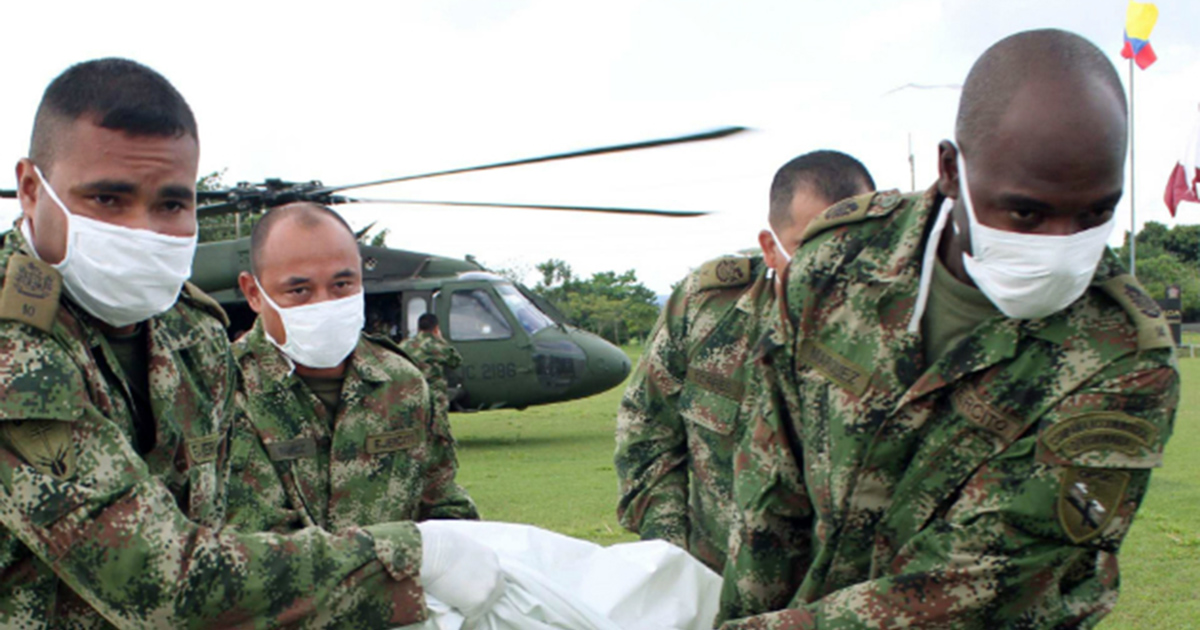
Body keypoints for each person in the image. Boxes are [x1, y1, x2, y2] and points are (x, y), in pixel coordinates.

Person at [0, 58, 497, 628]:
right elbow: (161, 580)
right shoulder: (15, 347)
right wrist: (412, 556)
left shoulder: (191, 333)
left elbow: (210, 526)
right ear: (31, 189)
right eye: (108, 199)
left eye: (171, 204)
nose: (144, 229)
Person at [718, 29, 1179, 629]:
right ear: (950, 170)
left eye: (1097, 212)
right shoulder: (839, 261)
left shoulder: (1123, 358)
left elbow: (974, 587)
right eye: (1027, 212)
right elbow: (769, 490)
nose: (1062, 247)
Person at [614, 150, 875, 573]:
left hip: (840, 593)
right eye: (812, 247)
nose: (835, 265)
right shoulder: (706, 309)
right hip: (715, 579)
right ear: (771, 248)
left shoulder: (907, 326)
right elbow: (647, 427)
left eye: (857, 245)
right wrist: (673, 555)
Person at [224, 202, 479, 536]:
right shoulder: (223, 390)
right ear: (254, 293)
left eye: (342, 285)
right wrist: (397, 552)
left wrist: (459, 543)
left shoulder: (402, 383)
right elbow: (253, 547)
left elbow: (442, 500)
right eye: (299, 290)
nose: (324, 303)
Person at [400, 312, 464, 422]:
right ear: (436, 328)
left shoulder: (404, 345)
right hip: (434, 394)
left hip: (411, 393)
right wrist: (441, 340)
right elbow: (456, 362)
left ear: (418, 328)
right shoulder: (438, 345)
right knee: (439, 425)